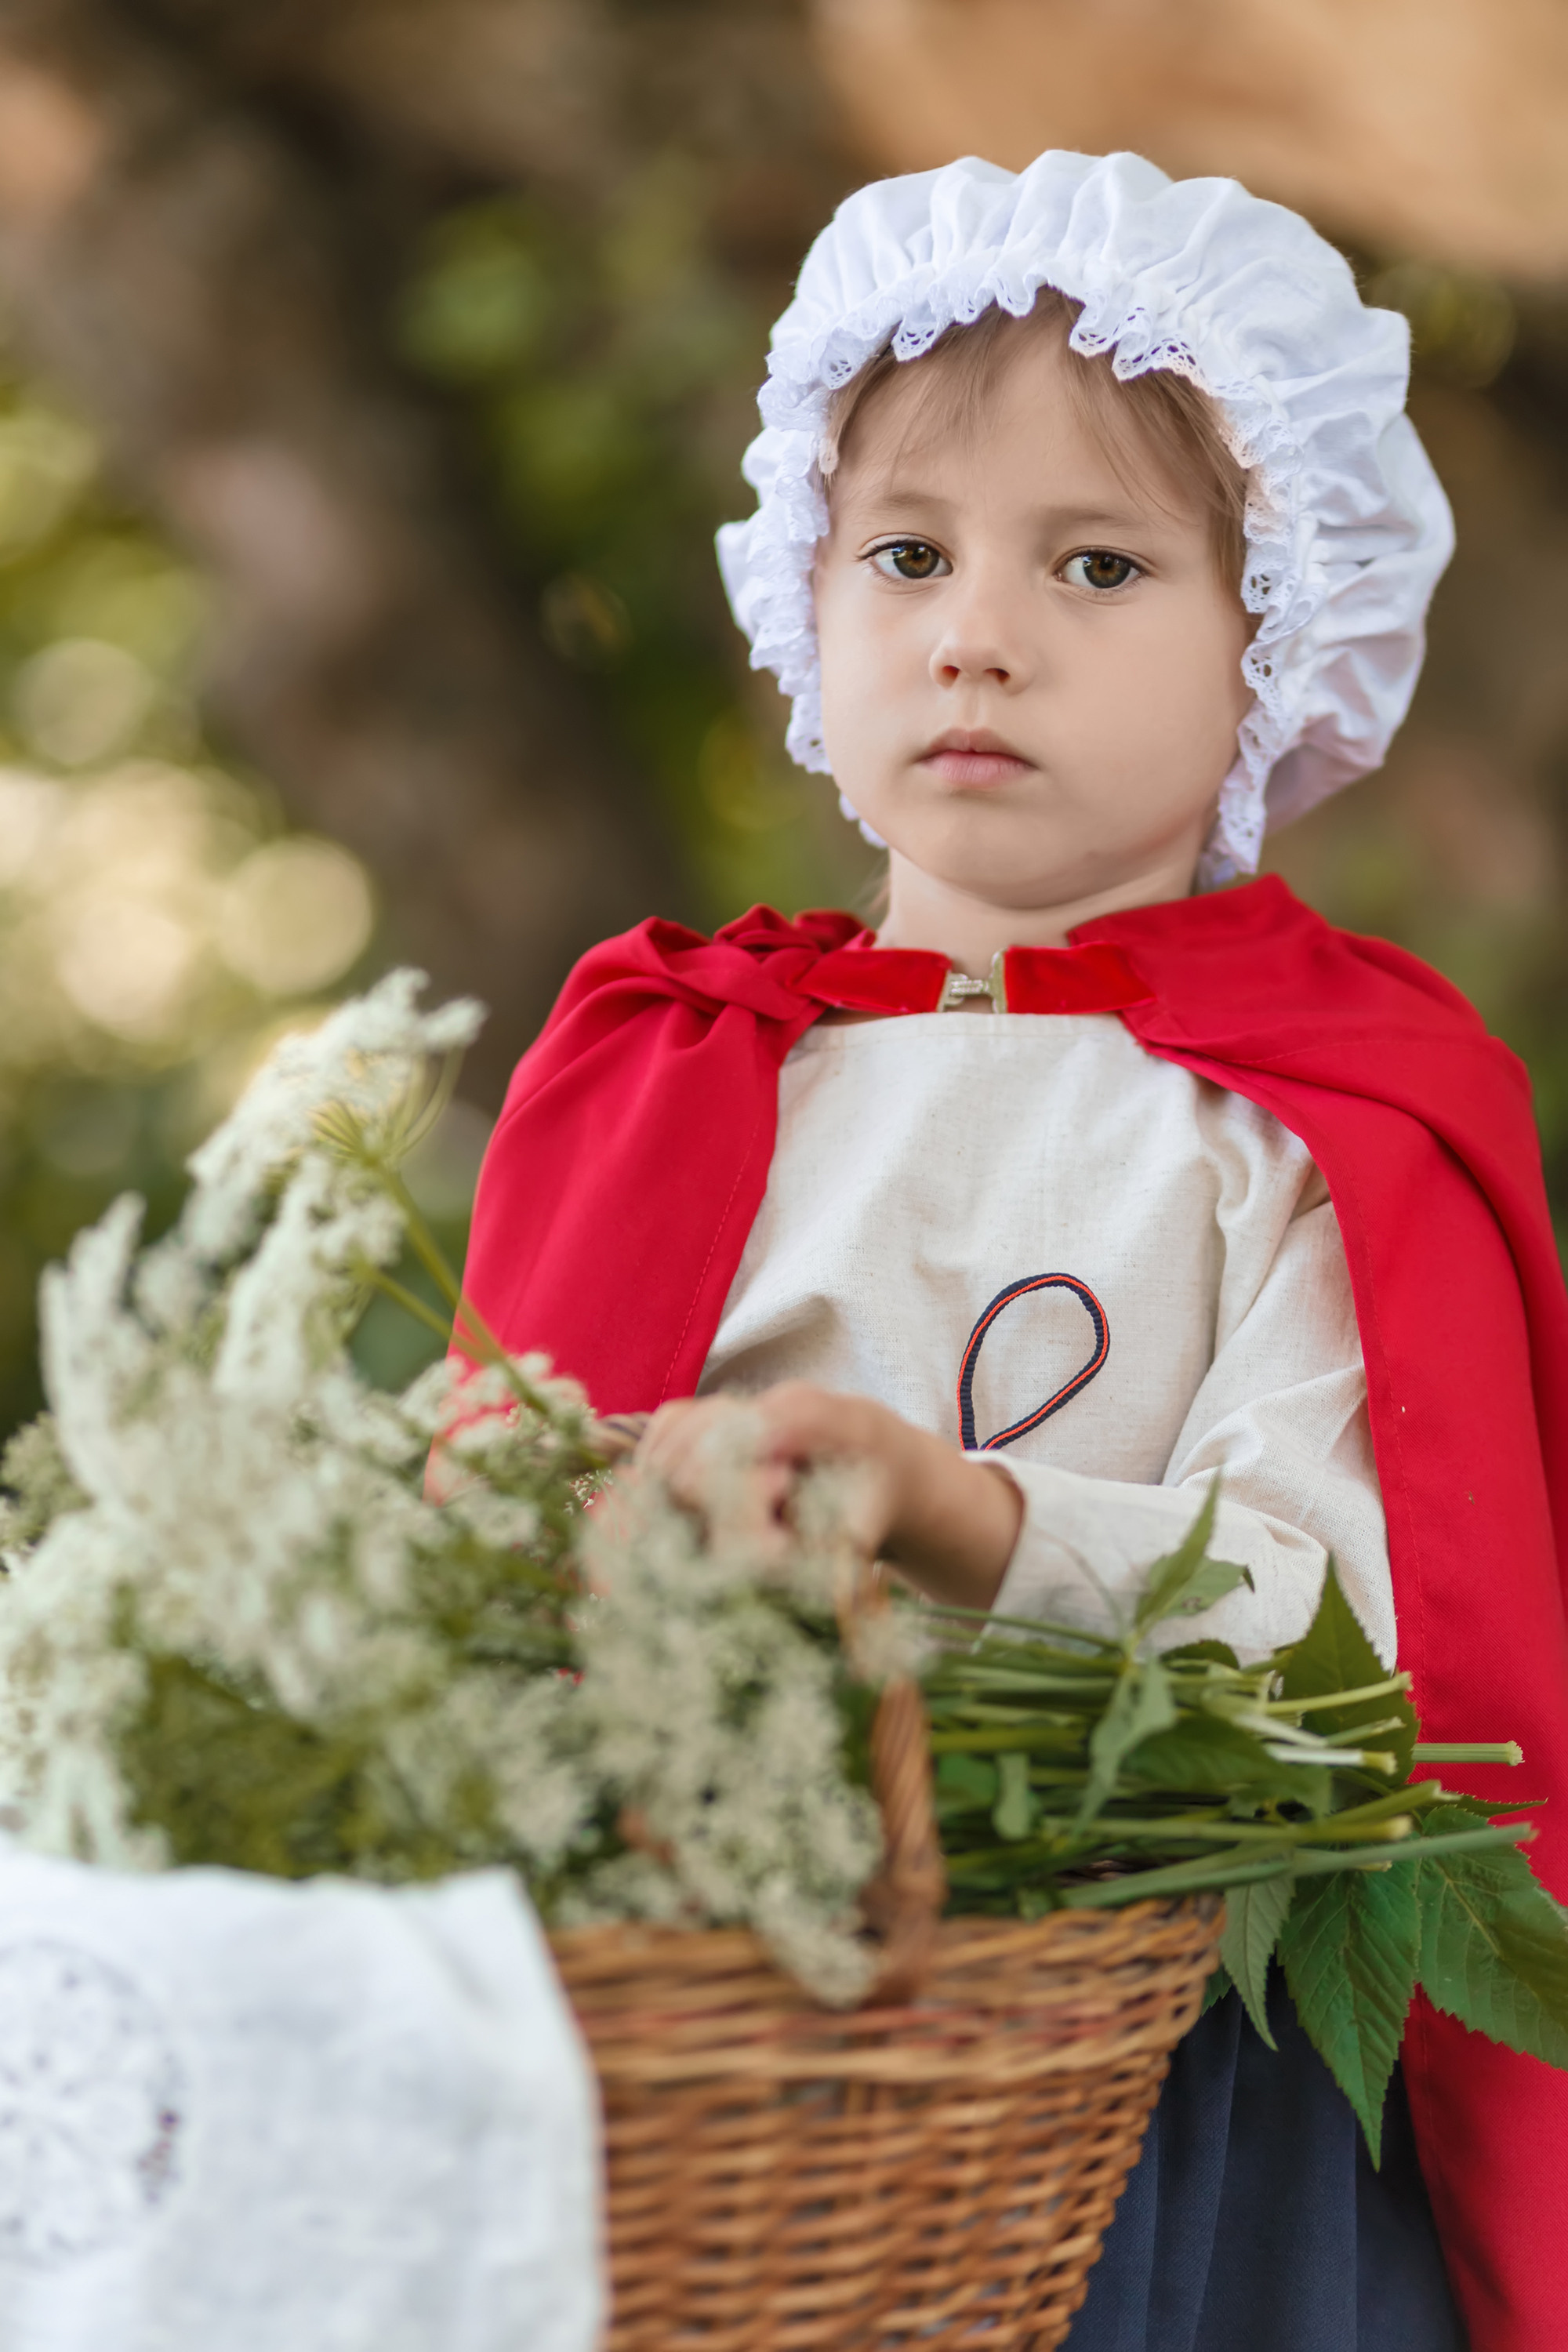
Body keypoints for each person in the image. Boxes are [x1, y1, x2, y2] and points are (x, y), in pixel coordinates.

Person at [459, 153, 1568, 2352]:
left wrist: (968, 1517)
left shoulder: (1298, 1116)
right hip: (729, 2071)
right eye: (907, 552)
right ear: (804, 593)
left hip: (1152, 2082)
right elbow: (487, 1556)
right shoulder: (684, 1071)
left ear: (1283, 636)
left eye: (1097, 562)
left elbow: (1363, 1637)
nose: (979, 629)